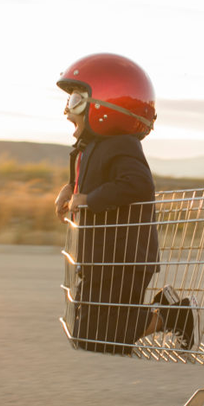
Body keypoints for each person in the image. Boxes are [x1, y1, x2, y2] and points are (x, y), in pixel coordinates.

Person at [53, 52, 195, 355]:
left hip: (124, 258)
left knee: (103, 338)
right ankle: (167, 310)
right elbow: (87, 179)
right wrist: (69, 189)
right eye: (68, 100)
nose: (67, 111)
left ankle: (171, 316)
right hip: (101, 257)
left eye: (76, 100)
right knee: (87, 335)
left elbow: (138, 184)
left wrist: (89, 199)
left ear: (106, 105)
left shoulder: (121, 145)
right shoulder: (89, 146)